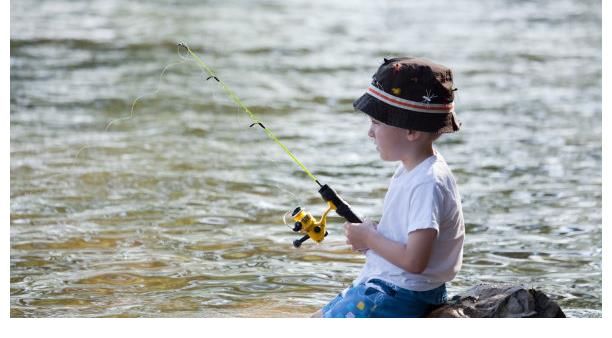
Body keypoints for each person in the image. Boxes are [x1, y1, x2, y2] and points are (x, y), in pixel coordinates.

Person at [313, 57, 464, 318]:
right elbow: (406, 242)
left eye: (377, 123)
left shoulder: (427, 182)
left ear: (411, 131)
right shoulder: (412, 169)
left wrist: (370, 238)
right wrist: (371, 239)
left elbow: (414, 261)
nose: (370, 133)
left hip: (402, 293)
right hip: (396, 286)